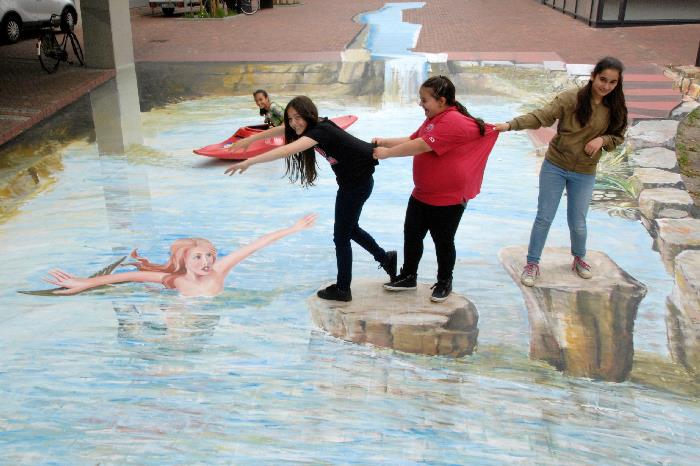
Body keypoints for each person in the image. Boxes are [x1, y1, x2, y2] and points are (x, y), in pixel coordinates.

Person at [225, 95, 397, 302]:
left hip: (356, 185)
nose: (293, 123)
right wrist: (250, 139)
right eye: (290, 118)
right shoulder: (314, 125)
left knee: (341, 236)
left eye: (298, 117)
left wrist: (249, 162)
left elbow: (286, 150)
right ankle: (386, 258)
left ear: (308, 115)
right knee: (350, 230)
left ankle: (343, 289)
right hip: (355, 183)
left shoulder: (319, 131)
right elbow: (282, 130)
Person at [493, 56, 628, 287]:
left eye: (612, 82)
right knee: (544, 217)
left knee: (578, 222)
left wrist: (602, 140)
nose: (606, 86)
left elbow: (617, 137)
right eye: (602, 79)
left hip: (585, 171)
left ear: (618, 83)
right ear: (593, 76)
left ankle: (579, 258)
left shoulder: (615, 108)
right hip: (555, 166)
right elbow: (541, 117)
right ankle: (532, 263)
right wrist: (509, 125)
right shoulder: (570, 98)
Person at [373, 75, 498, 302]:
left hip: (448, 199)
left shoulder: (453, 121)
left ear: (441, 101)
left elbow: (422, 145)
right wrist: (384, 141)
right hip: (422, 194)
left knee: (443, 242)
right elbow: (412, 139)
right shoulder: (435, 118)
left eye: (424, 100)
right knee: (412, 236)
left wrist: (387, 153)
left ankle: (444, 281)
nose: (421, 104)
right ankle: (408, 276)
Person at [42, 214, 317, 297]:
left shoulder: (220, 270)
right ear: (184, 261)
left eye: (209, 255)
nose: (206, 262)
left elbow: (257, 244)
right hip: (180, 315)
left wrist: (293, 229)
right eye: (198, 257)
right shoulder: (175, 280)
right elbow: (128, 277)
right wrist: (83, 284)